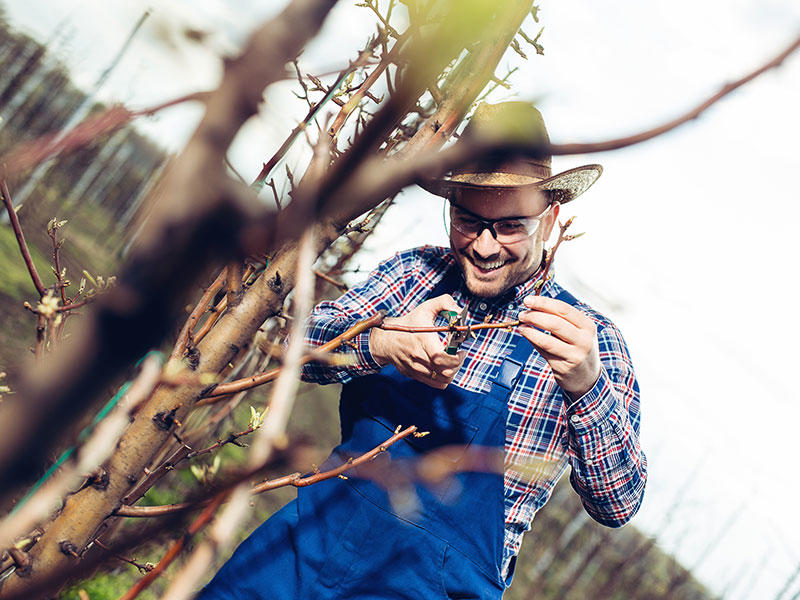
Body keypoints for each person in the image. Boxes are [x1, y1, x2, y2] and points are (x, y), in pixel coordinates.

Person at [199, 102, 646, 599]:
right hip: (308, 548)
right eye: (468, 220)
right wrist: (380, 342)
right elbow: (288, 348)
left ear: (550, 216)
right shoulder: (414, 276)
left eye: (511, 226)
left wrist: (587, 387)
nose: (483, 246)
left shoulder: (591, 342)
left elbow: (618, 504)